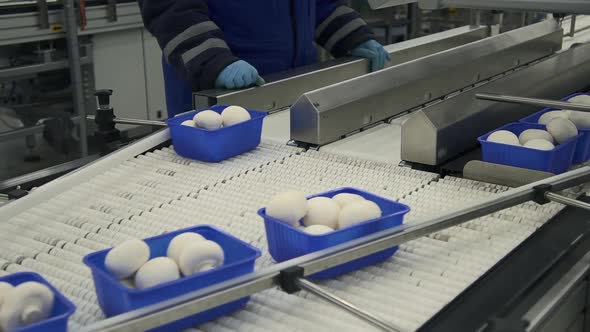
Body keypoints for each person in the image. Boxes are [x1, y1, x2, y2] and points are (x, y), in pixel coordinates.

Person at [139, 1, 390, 116]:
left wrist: (353, 36)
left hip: (294, 95)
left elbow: (319, 5)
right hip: (219, 100)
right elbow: (170, 10)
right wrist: (214, 62)